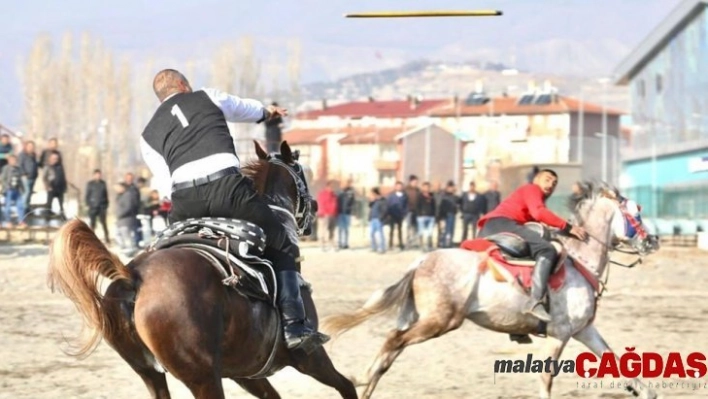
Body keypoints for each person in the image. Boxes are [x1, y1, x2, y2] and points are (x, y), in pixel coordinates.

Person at [139, 69, 328, 352]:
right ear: (183, 85)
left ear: (160, 98)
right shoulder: (207, 97)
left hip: (185, 202)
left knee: (164, 253)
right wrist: (266, 112)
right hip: (228, 190)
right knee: (282, 241)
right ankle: (294, 325)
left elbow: (165, 184)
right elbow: (241, 108)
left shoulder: (147, 136)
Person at [477, 169, 588, 322]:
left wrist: (570, 233)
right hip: (501, 224)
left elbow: (543, 226)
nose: (551, 184)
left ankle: (516, 312)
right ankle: (535, 302)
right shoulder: (532, 189)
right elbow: (539, 213)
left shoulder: (534, 197)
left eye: (554, 183)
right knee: (546, 249)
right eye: (547, 179)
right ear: (536, 179)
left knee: (533, 252)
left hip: (494, 227)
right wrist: (569, 227)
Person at [85, 169, 110, 243]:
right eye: (96, 174)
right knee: (92, 224)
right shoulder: (90, 184)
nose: (98, 176)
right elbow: (87, 195)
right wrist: (88, 204)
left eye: (99, 174)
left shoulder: (103, 183)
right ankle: (91, 239)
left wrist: (106, 204)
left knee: (104, 223)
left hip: (102, 207)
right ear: (94, 175)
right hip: (93, 206)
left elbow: (105, 195)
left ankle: (107, 238)